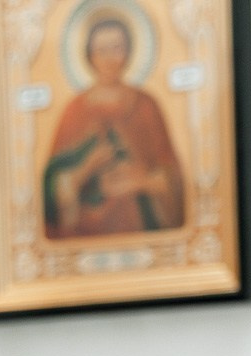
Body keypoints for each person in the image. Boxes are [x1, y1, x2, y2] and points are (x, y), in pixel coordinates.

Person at [42, 13, 185, 239]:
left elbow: (172, 179)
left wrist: (143, 181)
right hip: (86, 233)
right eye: (102, 50)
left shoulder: (147, 105)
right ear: (89, 55)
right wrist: (86, 168)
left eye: (117, 48)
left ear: (129, 51)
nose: (110, 59)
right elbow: (51, 188)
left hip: (142, 230)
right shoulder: (74, 110)